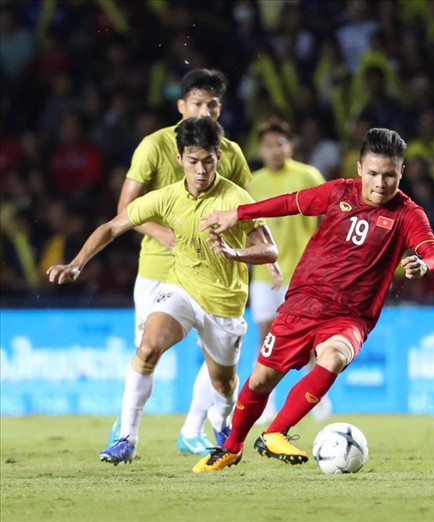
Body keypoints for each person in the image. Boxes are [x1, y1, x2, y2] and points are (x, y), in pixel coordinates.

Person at [191, 127, 434, 473]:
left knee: (334, 357)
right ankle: (232, 447)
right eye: (373, 173)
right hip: (304, 303)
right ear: (359, 168)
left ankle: (277, 430)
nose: (381, 183)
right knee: (261, 380)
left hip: (351, 315)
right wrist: (239, 214)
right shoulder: (338, 191)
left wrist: (424, 264)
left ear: (402, 171)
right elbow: (289, 203)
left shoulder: (407, 214)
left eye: (389, 175)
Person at [47, 117, 278, 465]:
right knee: (149, 347)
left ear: (219, 156)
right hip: (181, 289)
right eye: (193, 161)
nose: (201, 170)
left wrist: (235, 253)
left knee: (225, 385)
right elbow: (114, 226)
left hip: (224, 303)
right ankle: (127, 437)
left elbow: (270, 250)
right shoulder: (169, 197)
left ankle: (221, 422)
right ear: (179, 157)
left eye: (208, 160)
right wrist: (77, 263)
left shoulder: (235, 198)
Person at [113, 68, 276, 456]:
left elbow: (247, 213)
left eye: (213, 104)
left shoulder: (231, 153)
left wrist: (258, 254)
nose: (206, 111)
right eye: (198, 103)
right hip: (159, 267)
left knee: (218, 365)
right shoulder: (154, 146)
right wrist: (163, 234)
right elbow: (124, 210)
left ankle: (194, 427)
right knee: (147, 349)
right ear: (181, 105)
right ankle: (126, 431)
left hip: (220, 271)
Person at [247, 118, 331, 424]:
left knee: (307, 339)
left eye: (279, 144)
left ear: (290, 146)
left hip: (304, 273)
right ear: (260, 149)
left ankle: (316, 395)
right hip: (263, 276)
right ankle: (265, 403)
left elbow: (330, 216)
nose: (274, 150)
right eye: (268, 145)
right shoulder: (253, 182)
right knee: (266, 338)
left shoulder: (308, 176)